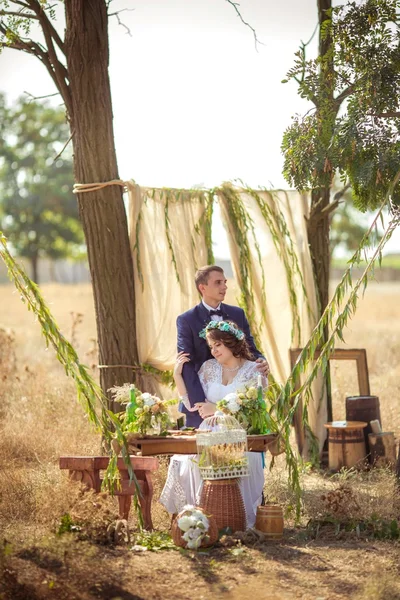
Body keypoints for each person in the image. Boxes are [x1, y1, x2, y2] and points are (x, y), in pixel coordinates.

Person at [160, 320, 267, 528]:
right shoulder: (209, 368)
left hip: (239, 436)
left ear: (231, 342)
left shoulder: (254, 370)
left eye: (218, 345)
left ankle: (232, 517)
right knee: (183, 460)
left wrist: (216, 409)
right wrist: (177, 374)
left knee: (242, 460)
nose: (214, 350)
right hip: (208, 433)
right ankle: (195, 518)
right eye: (211, 347)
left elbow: (255, 411)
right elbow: (191, 403)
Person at [177, 264, 270, 427]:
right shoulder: (186, 320)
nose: (225, 286)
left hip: (236, 396)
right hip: (201, 398)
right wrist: (201, 405)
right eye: (218, 282)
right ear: (202, 287)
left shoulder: (237, 313)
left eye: (225, 282)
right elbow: (187, 363)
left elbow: (249, 346)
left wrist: (261, 361)